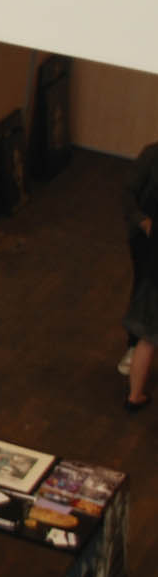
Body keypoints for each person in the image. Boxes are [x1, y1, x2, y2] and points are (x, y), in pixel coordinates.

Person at [121, 140, 158, 400]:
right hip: (146, 241)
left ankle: (135, 393)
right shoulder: (152, 156)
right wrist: (142, 222)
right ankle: (134, 344)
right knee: (145, 293)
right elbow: (128, 192)